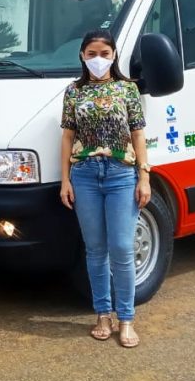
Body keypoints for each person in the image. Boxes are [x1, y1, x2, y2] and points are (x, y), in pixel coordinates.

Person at [59, 29, 150, 348]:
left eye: (104, 53)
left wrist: (144, 176)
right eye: (91, 54)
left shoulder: (128, 90)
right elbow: (68, 136)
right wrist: (65, 179)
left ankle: (126, 319)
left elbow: (138, 134)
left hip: (121, 174)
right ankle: (102, 315)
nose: (98, 59)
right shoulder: (73, 91)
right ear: (82, 56)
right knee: (95, 250)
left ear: (114, 55)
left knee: (123, 249)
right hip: (84, 174)